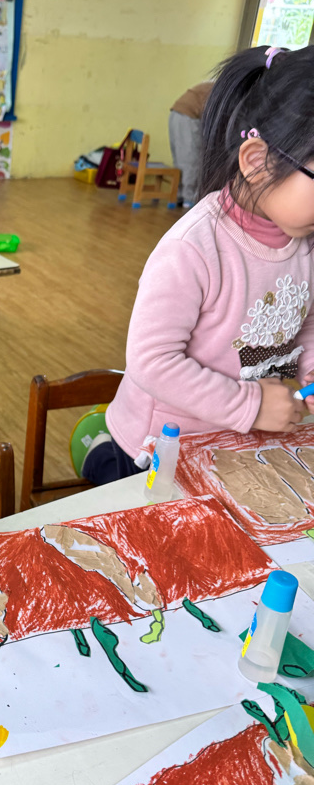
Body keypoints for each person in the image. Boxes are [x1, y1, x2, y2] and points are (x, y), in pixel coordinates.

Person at [80, 44, 314, 486]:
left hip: (240, 443)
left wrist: (310, 370)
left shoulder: (304, 241)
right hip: (160, 450)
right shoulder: (193, 247)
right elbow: (151, 361)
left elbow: (305, 323)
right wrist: (251, 405)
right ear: (257, 162)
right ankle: (102, 456)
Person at [169, 81, 213, 208]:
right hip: (189, 117)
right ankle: (190, 199)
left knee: (180, 160)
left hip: (176, 114)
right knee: (191, 160)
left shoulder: (211, 85)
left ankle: (179, 195)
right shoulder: (223, 89)